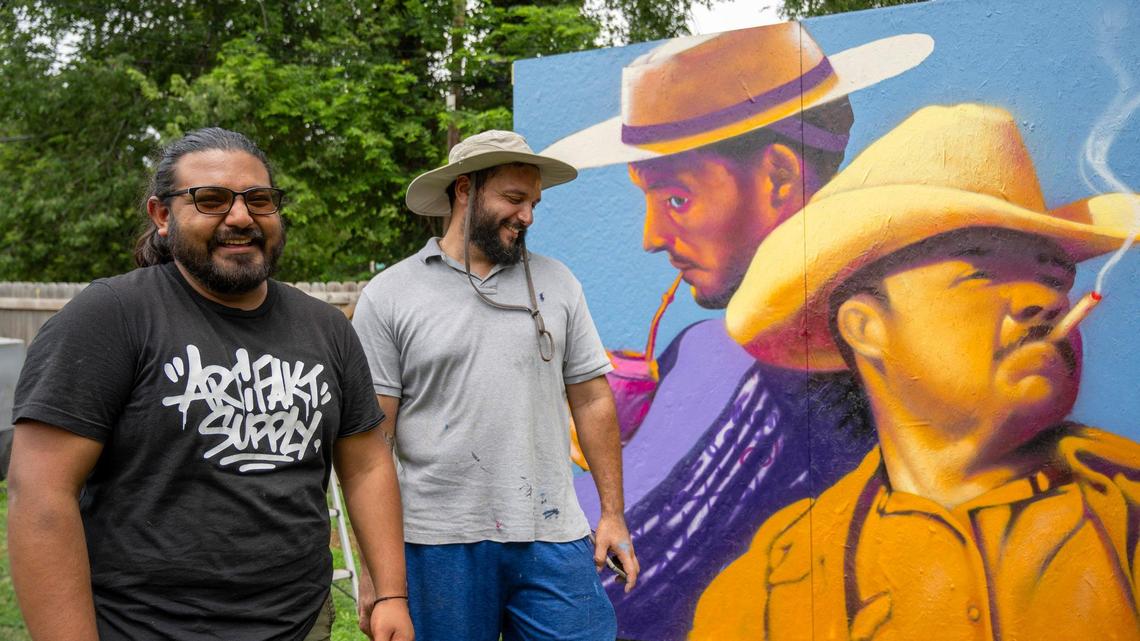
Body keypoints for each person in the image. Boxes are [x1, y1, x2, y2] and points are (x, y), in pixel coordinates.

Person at [537, 23, 933, 639]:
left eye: (675, 200)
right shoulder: (699, 346)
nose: (650, 238)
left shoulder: (862, 379)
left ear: (778, 176)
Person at [693, 103, 1140, 639]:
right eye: (981, 272)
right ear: (865, 326)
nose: (1043, 300)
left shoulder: (1127, 513)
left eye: (1054, 277)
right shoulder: (767, 590)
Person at [7, 127, 413, 641]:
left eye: (259, 200)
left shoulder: (325, 327)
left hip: (300, 623)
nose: (241, 217)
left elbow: (367, 463)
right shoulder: (110, 317)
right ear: (162, 216)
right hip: (144, 627)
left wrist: (392, 593)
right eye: (211, 200)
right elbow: (40, 494)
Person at [351, 130, 638, 641]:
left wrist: (612, 514)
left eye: (533, 203)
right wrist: (377, 572)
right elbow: (374, 443)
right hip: (436, 540)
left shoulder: (560, 283)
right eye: (513, 198)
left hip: (552, 532)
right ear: (465, 189)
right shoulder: (390, 294)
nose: (527, 215)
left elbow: (593, 400)